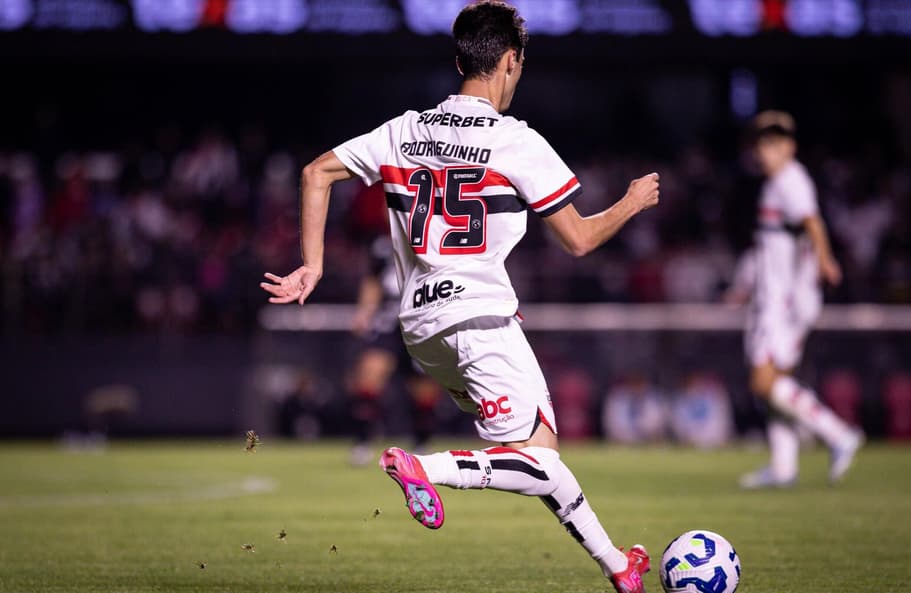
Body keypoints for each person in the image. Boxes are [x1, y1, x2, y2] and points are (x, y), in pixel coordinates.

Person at [260, 2, 659, 590]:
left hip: (420, 325)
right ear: (510, 62)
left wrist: (311, 266)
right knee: (538, 457)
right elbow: (577, 239)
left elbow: (315, 173)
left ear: (458, 60)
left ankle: (618, 567)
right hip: (479, 316)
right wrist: (628, 204)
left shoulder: (405, 130)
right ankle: (424, 465)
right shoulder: (515, 140)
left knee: (537, 453)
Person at [738, 111, 863, 489]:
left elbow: (812, 221)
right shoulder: (778, 182)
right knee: (778, 384)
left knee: (763, 383)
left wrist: (825, 259)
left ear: (790, 147)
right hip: (780, 298)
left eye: (774, 143)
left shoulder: (791, 181)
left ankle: (838, 433)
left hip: (785, 301)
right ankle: (783, 467)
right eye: (762, 144)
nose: (766, 151)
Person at [348, 232, 443, 465]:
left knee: (424, 387)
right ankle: (363, 441)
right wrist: (364, 312)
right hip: (389, 319)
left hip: (422, 316)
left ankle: (421, 441)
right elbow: (372, 280)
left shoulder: (435, 236)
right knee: (369, 373)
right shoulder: (382, 244)